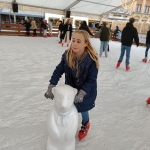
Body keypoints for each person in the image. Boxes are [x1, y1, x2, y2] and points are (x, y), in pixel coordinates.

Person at [44, 30, 99, 141]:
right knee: (69, 107)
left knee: (83, 109)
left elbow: (91, 80)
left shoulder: (92, 60)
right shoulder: (67, 55)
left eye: (79, 41)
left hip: (87, 91)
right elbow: (58, 71)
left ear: (86, 44)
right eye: (73, 40)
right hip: (71, 89)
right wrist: (51, 86)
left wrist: (82, 93)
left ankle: (85, 123)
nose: (74, 43)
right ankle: (69, 124)